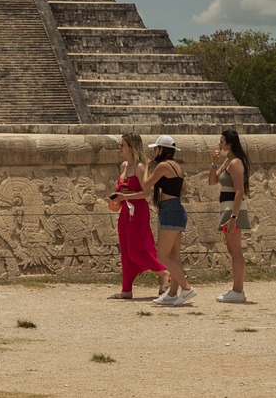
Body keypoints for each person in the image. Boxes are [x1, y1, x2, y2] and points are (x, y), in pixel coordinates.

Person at [116, 135, 195, 306]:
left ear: (162, 150)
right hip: (176, 208)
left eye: (156, 149)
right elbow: (183, 188)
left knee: (163, 256)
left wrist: (148, 167)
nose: (153, 152)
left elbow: (146, 186)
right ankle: (173, 293)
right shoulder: (176, 166)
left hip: (169, 210)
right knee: (174, 256)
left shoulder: (163, 166)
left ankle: (186, 288)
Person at [107, 132, 169, 300]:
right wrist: (116, 198)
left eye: (122, 145)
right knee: (126, 251)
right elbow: (123, 189)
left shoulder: (140, 167)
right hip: (125, 212)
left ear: (131, 147)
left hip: (138, 212)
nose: (120, 148)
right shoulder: (124, 166)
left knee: (135, 251)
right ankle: (126, 289)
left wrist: (125, 197)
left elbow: (146, 193)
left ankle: (162, 271)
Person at [209, 128, 252, 303]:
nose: (219, 144)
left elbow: (240, 191)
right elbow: (212, 181)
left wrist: (234, 217)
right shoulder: (227, 161)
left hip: (233, 210)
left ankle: (238, 290)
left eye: (221, 141)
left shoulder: (235, 163)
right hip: (227, 208)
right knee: (232, 249)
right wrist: (214, 162)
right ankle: (237, 289)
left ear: (229, 144)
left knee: (236, 251)